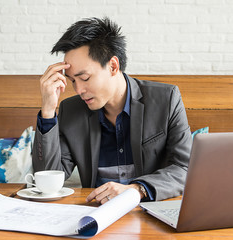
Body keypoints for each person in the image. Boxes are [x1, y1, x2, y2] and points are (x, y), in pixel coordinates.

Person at [32, 17, 192, 204]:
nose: (78, 90)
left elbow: (185, 168)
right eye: (73, 81)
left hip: (150, 211)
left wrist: (137, 189)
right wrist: (48, 111)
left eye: (84, 78)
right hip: (94, 214)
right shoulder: (71, 110)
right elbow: (47, 179)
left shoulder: (166, 99)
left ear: (113, 66)